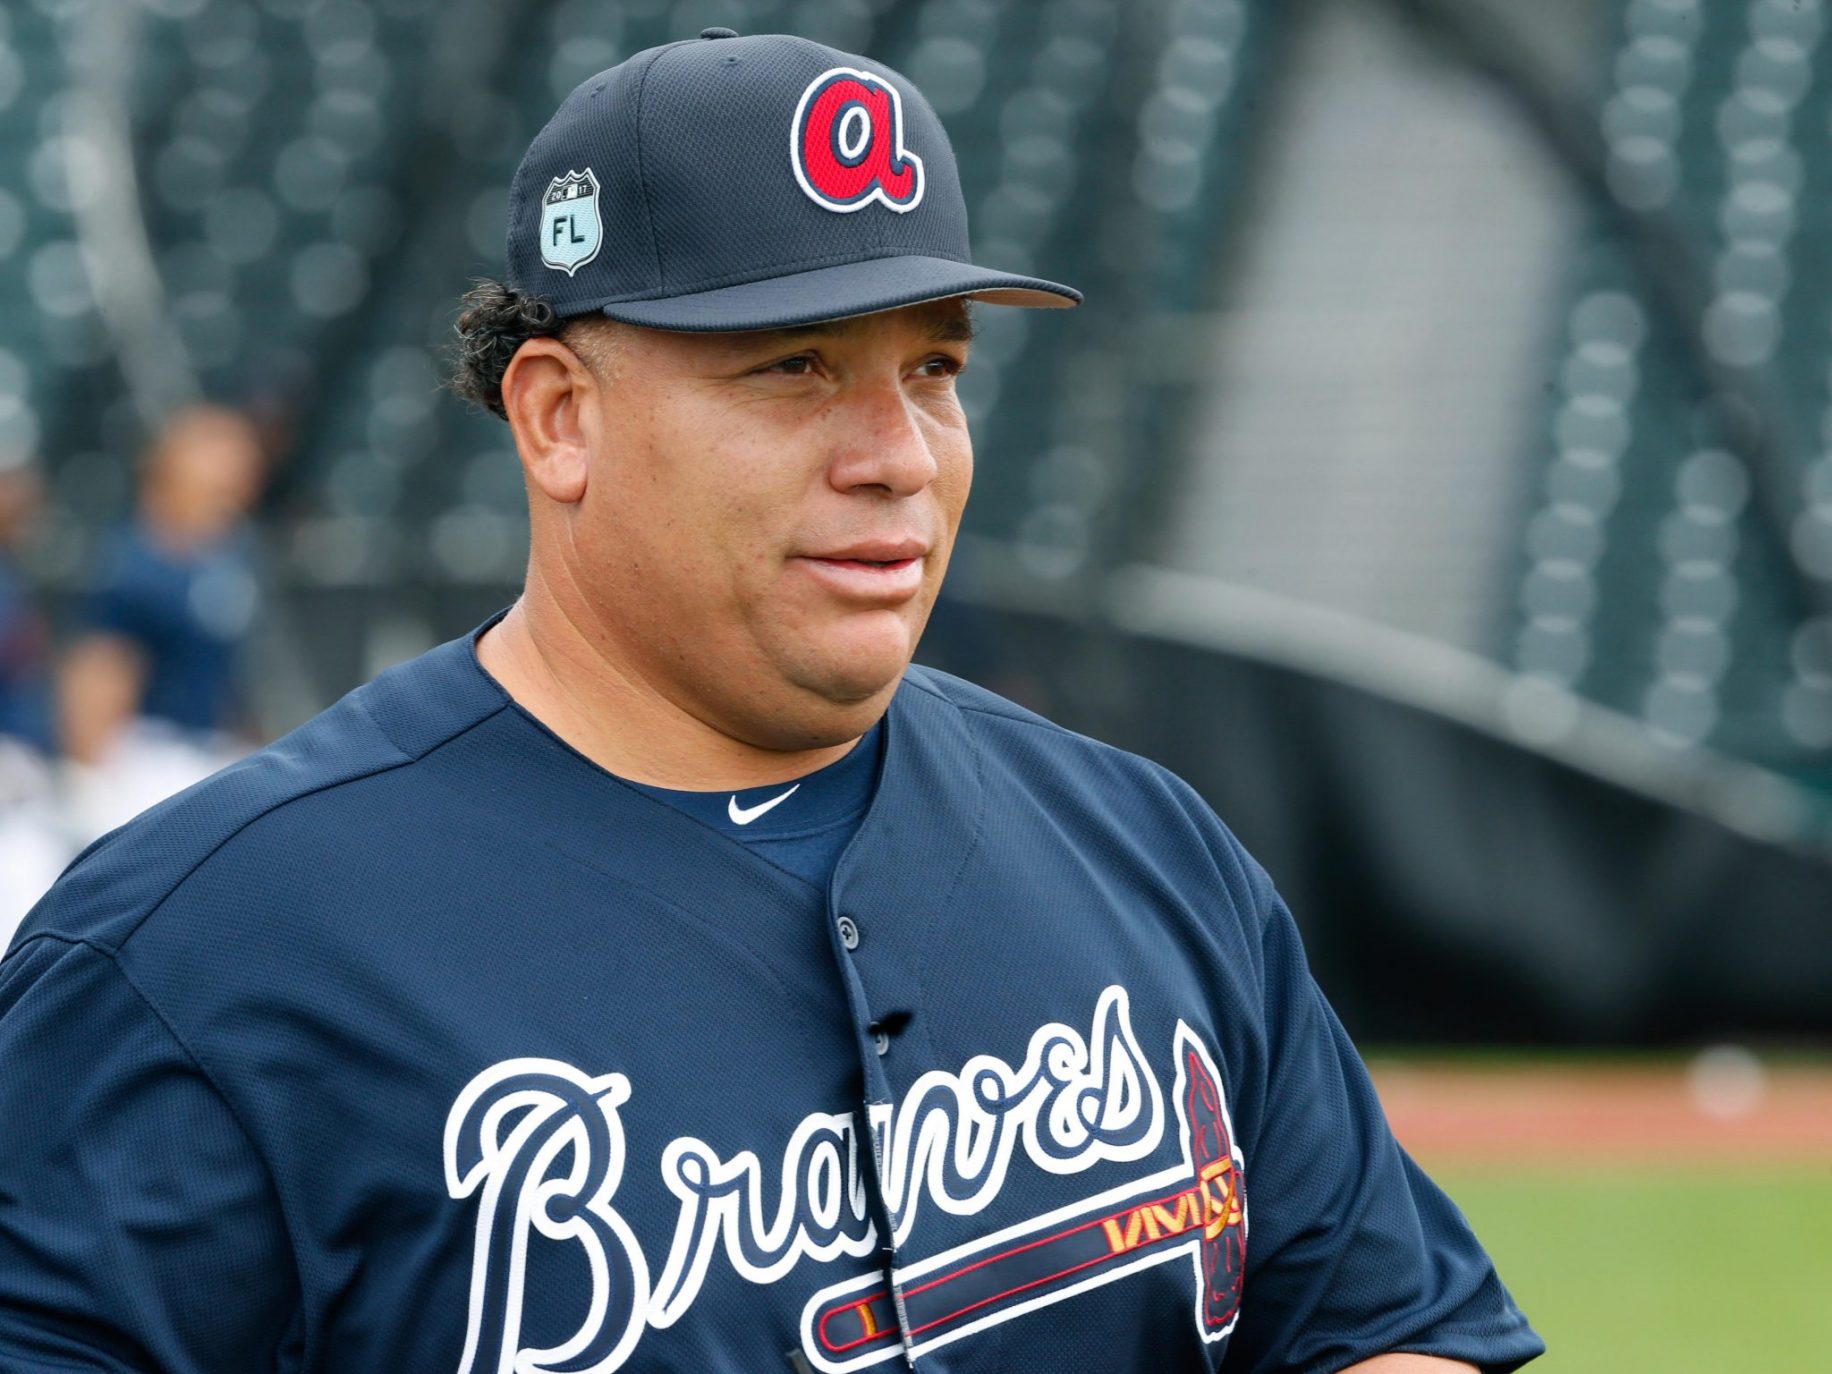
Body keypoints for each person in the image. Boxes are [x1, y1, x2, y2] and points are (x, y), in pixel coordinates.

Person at [0, 30, 1542, 1374]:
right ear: (558, 419)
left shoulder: (1145, 842)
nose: (899, 453)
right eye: (796, 367)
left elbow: (1383, 1319)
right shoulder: (191, 955)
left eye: (934, 369)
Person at [57, 404, 265, 841]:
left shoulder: (234, 554)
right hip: (147, 755)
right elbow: (99, 672)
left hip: (214, 750)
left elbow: (232, 682)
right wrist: (88, 783)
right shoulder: (133, 561)